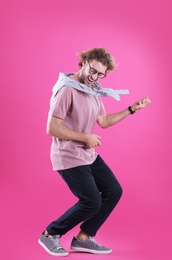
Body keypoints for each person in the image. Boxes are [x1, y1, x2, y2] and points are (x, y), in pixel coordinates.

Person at [38, 47, 151, 257]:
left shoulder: (93, 89)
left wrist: (131, 109)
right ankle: (49, 233)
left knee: (114, 191)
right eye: (93, 71)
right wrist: (85, 137)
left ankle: (84, 238)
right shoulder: (66, 89)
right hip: (68, 155)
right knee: (91, 201)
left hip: (87, 153)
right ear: (84, 62)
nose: (95, 77)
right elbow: (51, 128)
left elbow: (103, 121)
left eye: (101, 74)